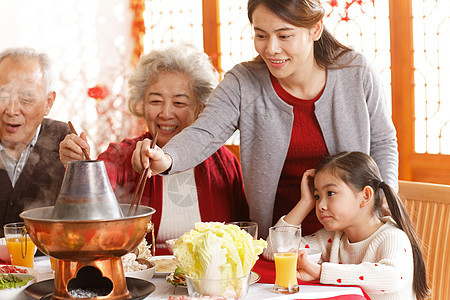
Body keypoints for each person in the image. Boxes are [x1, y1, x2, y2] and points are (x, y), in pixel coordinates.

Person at [131, 0, 398, 238]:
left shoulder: (356, 71)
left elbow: (383, 140)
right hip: (279, 238)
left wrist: (385, 195)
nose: (271, 49)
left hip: (354, 235)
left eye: (284, 35)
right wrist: (168, 159)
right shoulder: (243, 82)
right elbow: (205, 132)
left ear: (315, 29)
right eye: (261, 35)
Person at [59, 44, 249, 249]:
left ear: (200, 109)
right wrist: (78, 168)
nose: (166, 113)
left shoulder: (224, 164)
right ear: (142, 104)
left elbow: (242, 233)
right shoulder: (122, 156)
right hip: (141, 277)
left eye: (179, 103)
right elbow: (91, 203)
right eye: (156, 101)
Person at [264, 152, 429, 300]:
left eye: (330, 193)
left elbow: (392, 277)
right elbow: (274, 250)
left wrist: (320, 272)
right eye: (317, 196)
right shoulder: (332, 238)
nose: (320, 204)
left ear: (365, 195)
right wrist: (305, 202)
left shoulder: (392, 236)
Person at [0, 47, 71, 233]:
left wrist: (81, 171)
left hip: (47, 261)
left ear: (48, 103)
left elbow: (89, 214)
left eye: (25, 99)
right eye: (3, 96)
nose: (12, 110)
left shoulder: (63, 139)